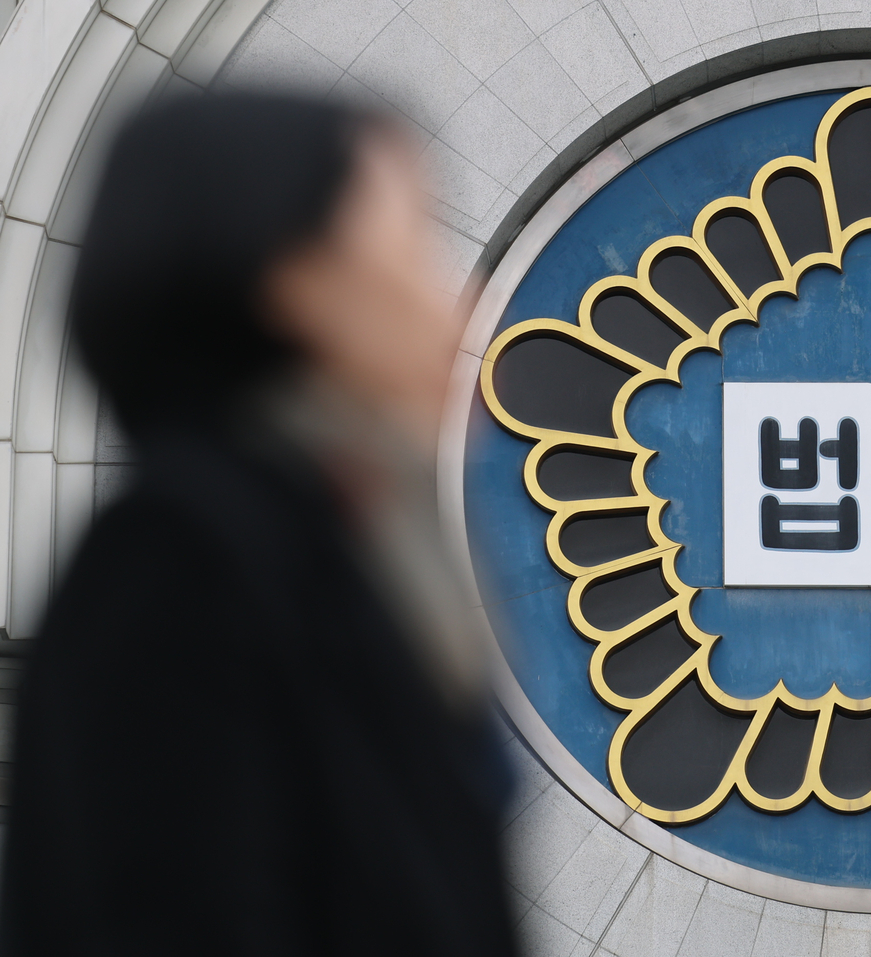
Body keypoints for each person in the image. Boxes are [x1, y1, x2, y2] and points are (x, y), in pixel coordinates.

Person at [1, 93, 515, 956]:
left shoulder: (348, 558)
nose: (456, 308)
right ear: (297, 283)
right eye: (416, 247)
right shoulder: (184, 560)